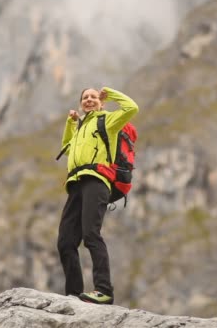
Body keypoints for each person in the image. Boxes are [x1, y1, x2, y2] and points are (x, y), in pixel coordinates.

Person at [57, 86, 139, 305]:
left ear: (101, 103)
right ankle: (73, 295)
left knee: (91, 234)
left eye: (93, 97)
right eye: (85, 97)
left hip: (97, 181)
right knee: (65, 242)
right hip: (75, 184)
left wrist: (110, 94)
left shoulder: (109, 121)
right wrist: (71, 123)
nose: (89, 100)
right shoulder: (81, 127)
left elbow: (132, 108)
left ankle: (104, 290)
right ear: (81, 103)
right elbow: (67, 147)